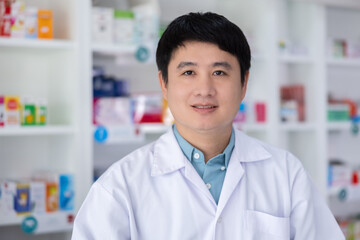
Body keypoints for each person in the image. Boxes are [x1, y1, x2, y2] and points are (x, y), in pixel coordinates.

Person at [72, 12, 345, 240]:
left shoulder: (286, 174)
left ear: (244, 83)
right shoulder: (119, 187)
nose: (204, 89)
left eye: (219, 72)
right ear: (164, 83)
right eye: (188, 72)